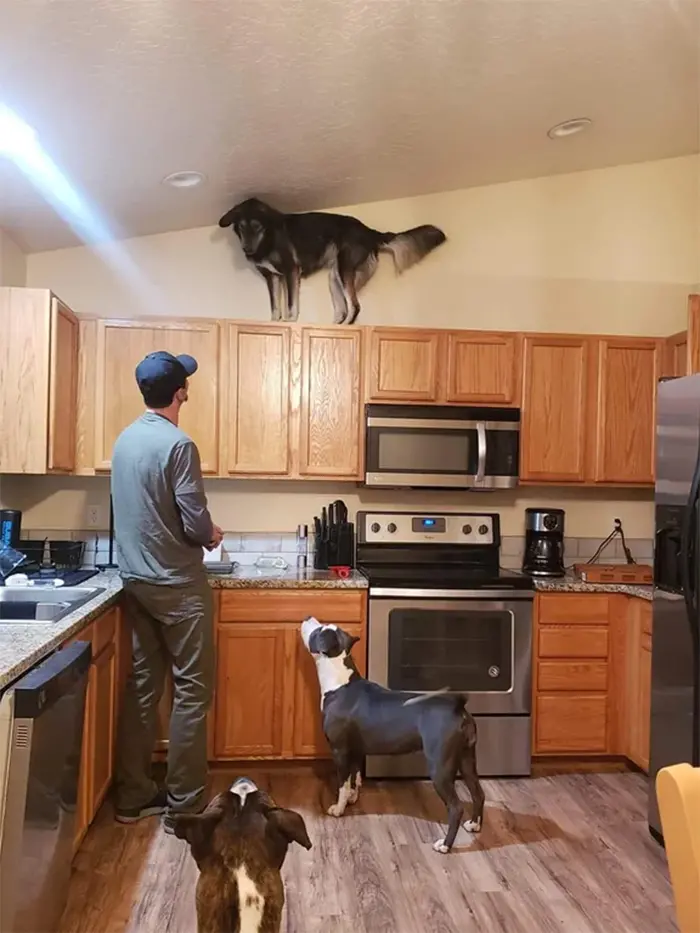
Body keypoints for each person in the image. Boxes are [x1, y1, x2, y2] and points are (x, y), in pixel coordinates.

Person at [111, 350, 223, 834]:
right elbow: (195, 522)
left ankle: (133, 798)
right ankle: (185, 806)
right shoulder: (179, 445)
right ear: (181, 392)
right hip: (178, 586)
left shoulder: (124, 441)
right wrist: (213, 534)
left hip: (136, 583)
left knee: (142, 689)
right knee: (192, 692)